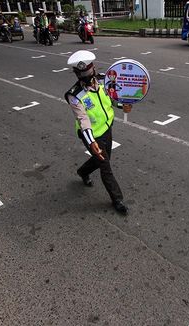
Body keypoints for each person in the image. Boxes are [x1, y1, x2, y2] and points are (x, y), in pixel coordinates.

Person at [64, 50, 132, 216]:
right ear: (76, 73)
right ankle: (117, 199)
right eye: (81, 73)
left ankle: (83, 171)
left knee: (102, 158)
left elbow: (112, 99)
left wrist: (123, 106)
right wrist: (92, 142)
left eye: (87, 71)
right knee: (105, 166)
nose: (85, 76)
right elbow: (83, 120)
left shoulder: (104, 80)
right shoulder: (74, 95)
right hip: (91, 135)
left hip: (107, 128)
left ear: (93, 68)